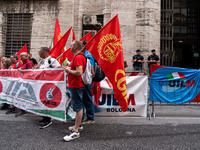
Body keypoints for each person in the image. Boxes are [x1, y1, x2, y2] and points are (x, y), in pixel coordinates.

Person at [63, 40, 88, 141]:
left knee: (78, 107)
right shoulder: (79, 56)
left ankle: (76, 131)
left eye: (71, 45)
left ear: (76, 47)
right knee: (79, 106)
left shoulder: (78, 57)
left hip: (76, 85)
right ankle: (78, 126)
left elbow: (79, 72)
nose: (70, 47)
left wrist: (68, 70)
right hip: (77, 85)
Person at [36, 47, 61, 129]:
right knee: (42, 101)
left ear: (44, 52)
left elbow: (59, 69)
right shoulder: (41, 61)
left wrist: (49, 72)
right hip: (41, 84)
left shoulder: (52, 60)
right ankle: (44, 117)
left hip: (48, 85)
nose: (38, 53)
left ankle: (48, 120)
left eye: (40, 51)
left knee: (47, 101)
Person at [15, 52, 34, 117]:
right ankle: (23, 110)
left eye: (22, 56)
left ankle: (24, 110)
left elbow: (30, 72)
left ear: (26, 56)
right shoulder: (25, 63)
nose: (21, 58)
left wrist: (21, 69)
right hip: (24, 81)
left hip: (27, 82)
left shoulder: (29, 63)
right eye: (20, 56)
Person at [81, 40, 95, 125]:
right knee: (82, 99)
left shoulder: (88, 56)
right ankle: (81, 117)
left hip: (87, 81)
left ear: (84, 46)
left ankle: (90, 118)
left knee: (87, 99)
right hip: (84, 81)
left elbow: (92, 70)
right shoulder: (84, 55)